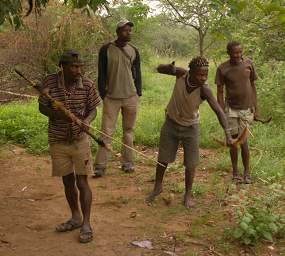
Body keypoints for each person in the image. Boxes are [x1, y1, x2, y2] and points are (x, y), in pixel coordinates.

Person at [147, 57, 232, 208]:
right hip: (171, 122)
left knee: (191, 164)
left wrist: (228, 133)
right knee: (163, 158)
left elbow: (218, 111)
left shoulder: (204, 89)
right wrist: (169, 68)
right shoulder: (181, 74)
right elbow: (159, 69)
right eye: (200, 74)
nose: (203, 78)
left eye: (205, 75)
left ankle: (187, 195)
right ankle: (157, 187)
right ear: (190, 71)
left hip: (191, 127)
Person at [38, 49, 100, 243]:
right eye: (74, 66)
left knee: (83, 182)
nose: (78, 70)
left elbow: (93, 110)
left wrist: (87, 122)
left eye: (80, 66)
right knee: (67, 181)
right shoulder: (49, 82)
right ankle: (75, 217)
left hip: (80, 139)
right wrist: (57, 114)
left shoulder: (88, 84)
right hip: (58, 139)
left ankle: (87, 223)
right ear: (62, 67)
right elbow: (42, 107)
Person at [93, 20, 142, 177]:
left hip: (130, 97)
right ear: (118, 32)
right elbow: (101, 74)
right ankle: (100, 165)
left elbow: (137, 74)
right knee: (106, 132)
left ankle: (127, 163)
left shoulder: (134, 50)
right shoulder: (106, 49)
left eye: (130, 30)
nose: (129, 33)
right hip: (112, 98)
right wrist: (103, 94)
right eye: (126, 30)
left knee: (128, 132)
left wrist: (138, 93)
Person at [215, 41, 258, 184]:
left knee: (244, 141)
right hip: (231, 110)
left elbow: (252, 85)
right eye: (235, 53)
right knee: (233, 142)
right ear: (228, 53)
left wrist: (255, 107)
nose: (238, 55)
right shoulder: (222, 68)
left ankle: (247, 172)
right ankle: (235, 172)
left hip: (246, 109)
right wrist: (221, 112)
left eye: (240, 52)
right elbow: (220, 92)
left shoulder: (248, 64)